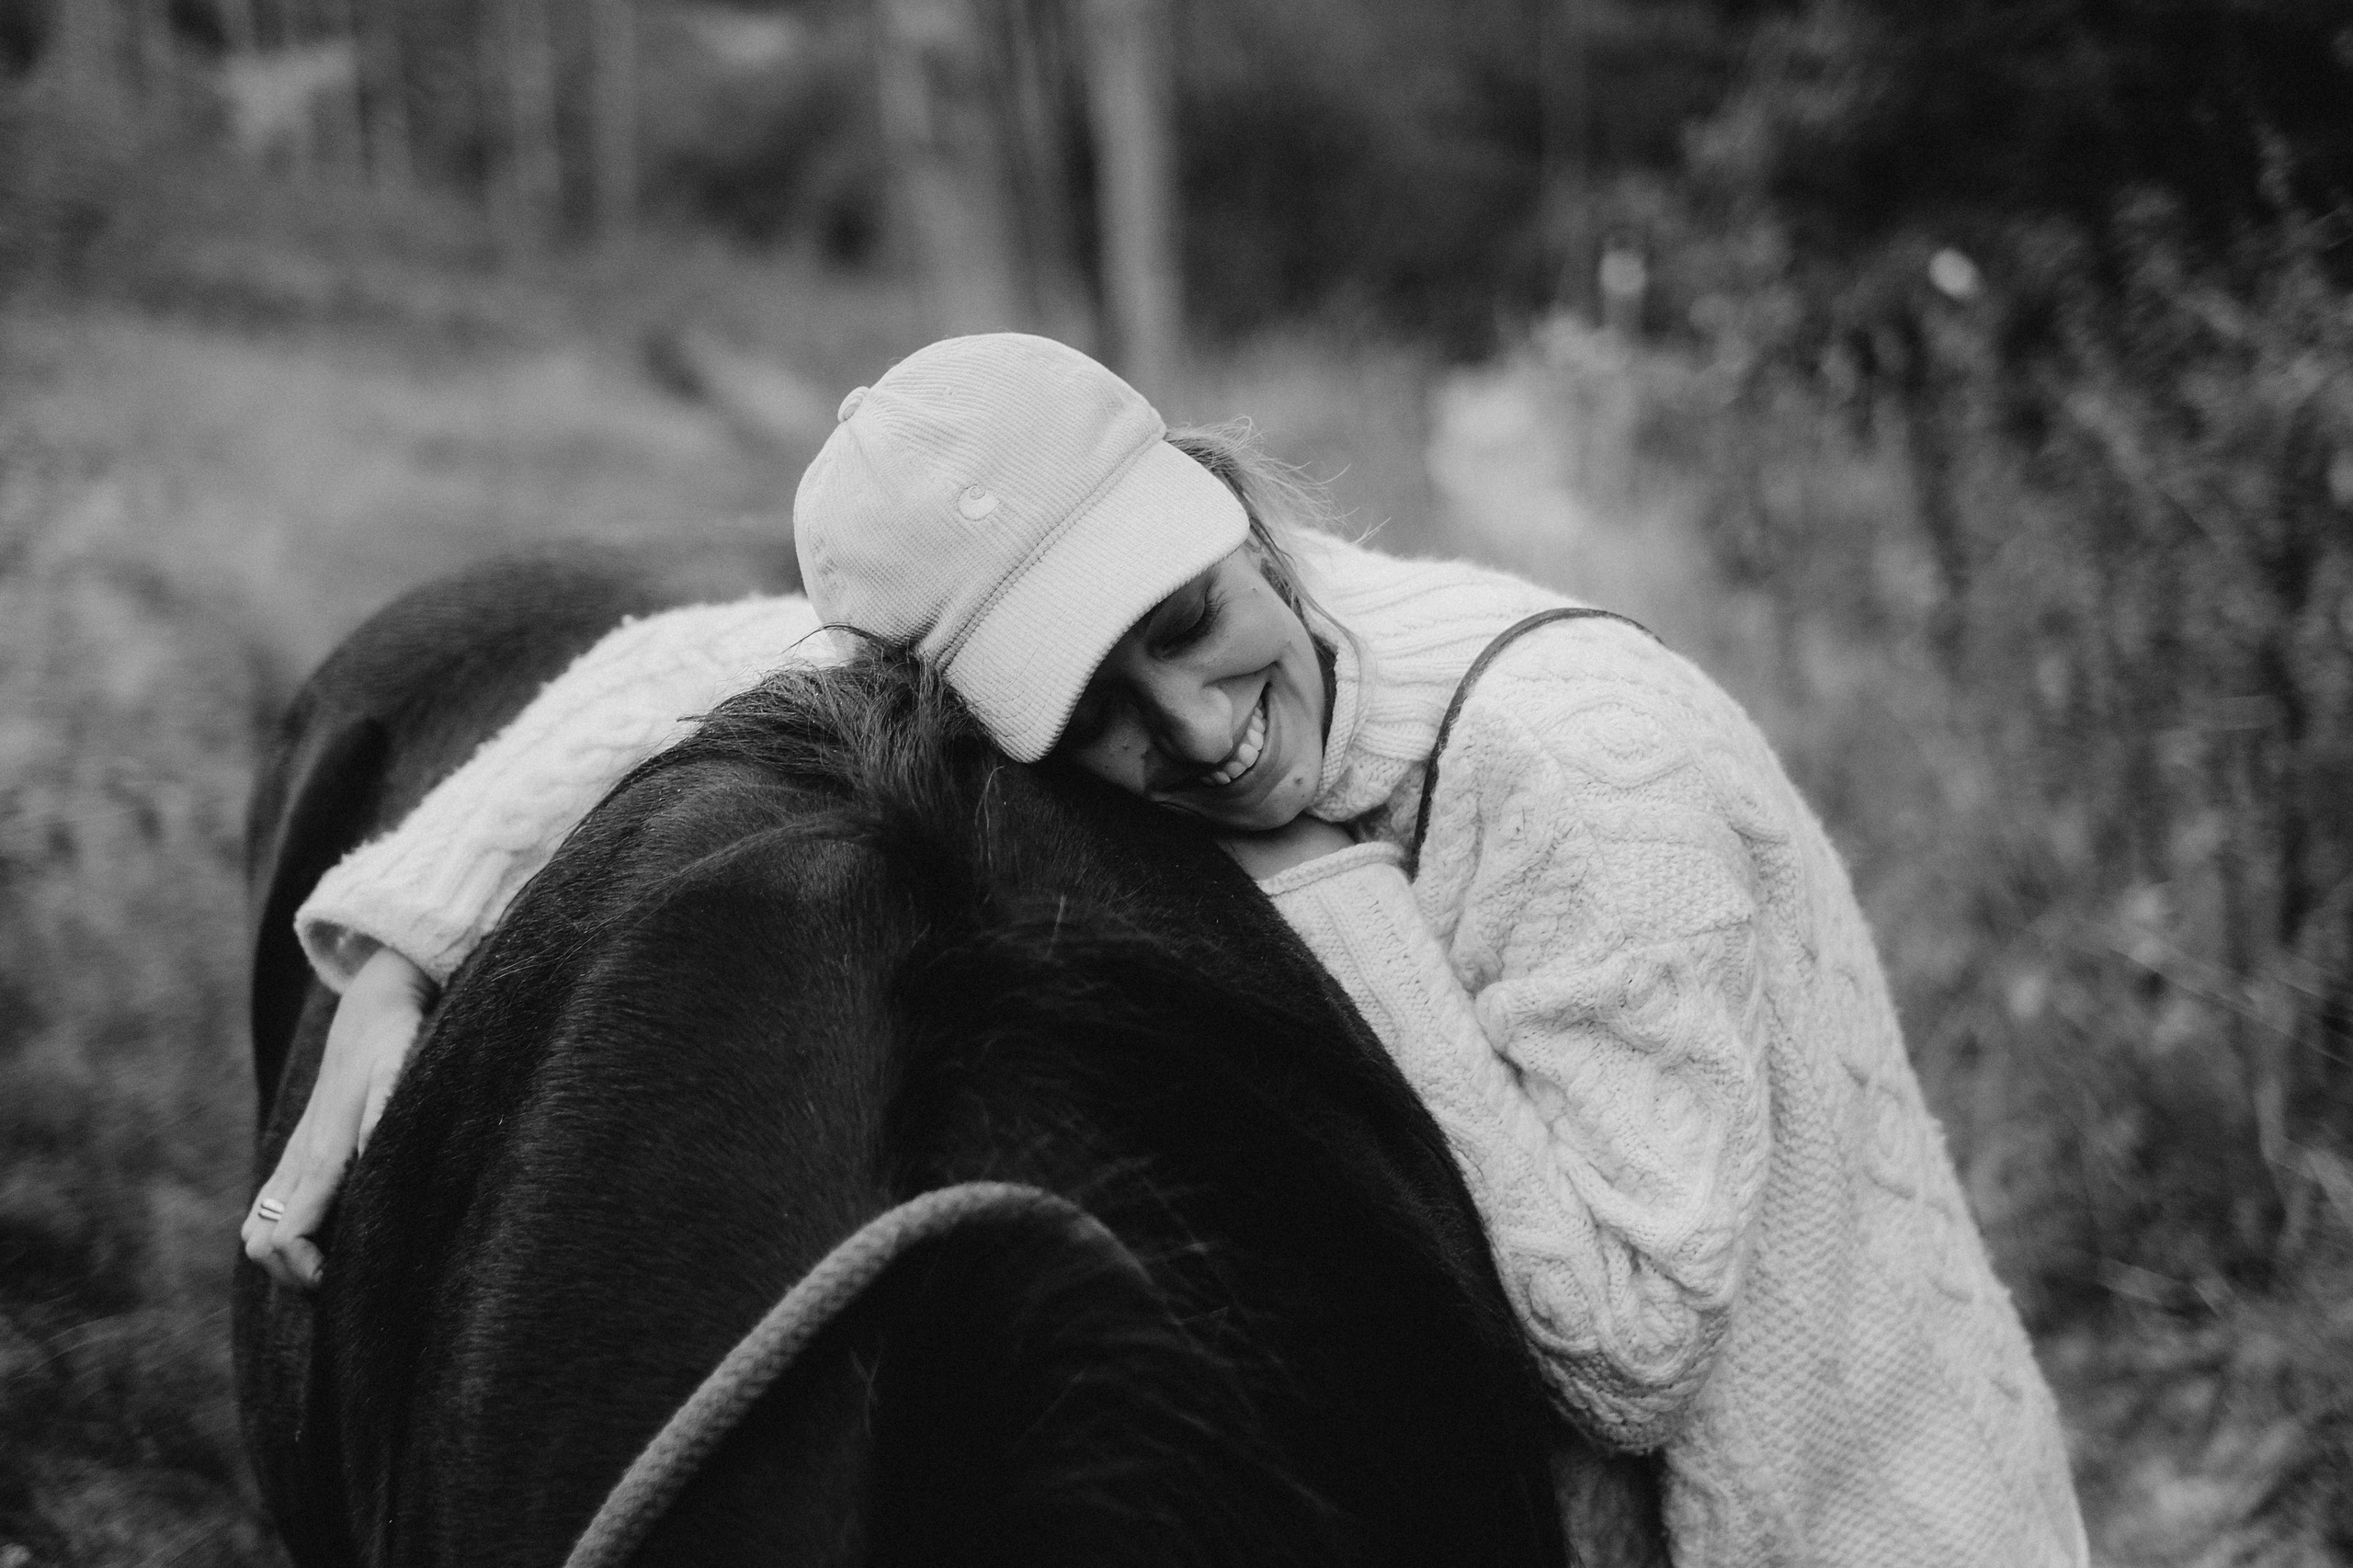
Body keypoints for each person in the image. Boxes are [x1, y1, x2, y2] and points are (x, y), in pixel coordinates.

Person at [243, 333, 2086, 1565]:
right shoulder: (1203, 681)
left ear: (1222, 497)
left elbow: (1625, 1360)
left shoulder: (1580, 764)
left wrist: (1325, 904)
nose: (1198, 731)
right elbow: (710, 662)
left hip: (1822, 1514)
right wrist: (410, 932)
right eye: (1086, 699)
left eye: (1181, 622)